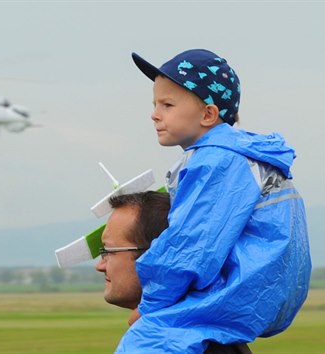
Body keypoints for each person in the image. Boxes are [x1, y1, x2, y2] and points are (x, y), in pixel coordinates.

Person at [116, 49, 311, 353]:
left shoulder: (217, 161)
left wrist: (151, 303)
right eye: (155, 104)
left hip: (236, 291)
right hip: (258, 294)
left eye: (167, 104)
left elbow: (191, 246)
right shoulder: (238, 157)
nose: (155, 114)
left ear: (208, 114)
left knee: (145, 342)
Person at [96, 191, 252, 354]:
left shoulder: (175, 345)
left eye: (109, 250)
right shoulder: (199, 334)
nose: (100, 265)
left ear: (154, 257)